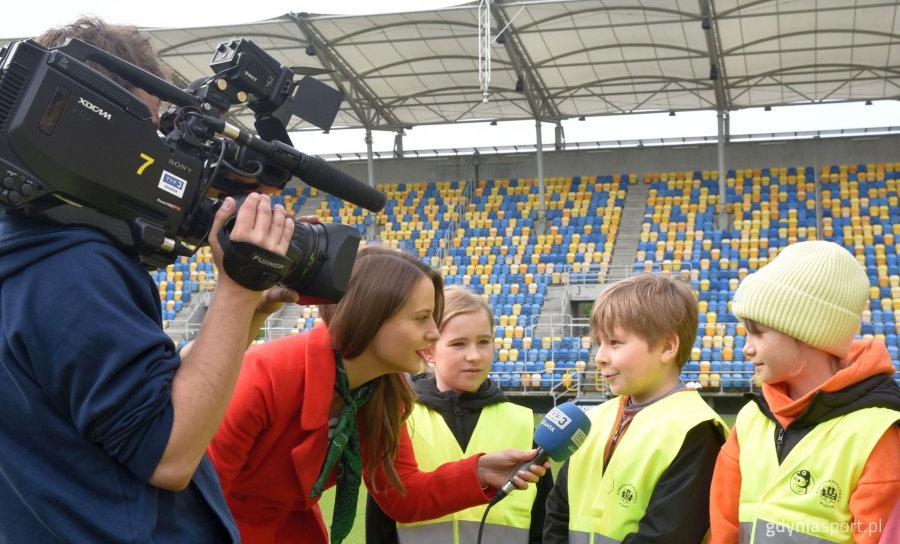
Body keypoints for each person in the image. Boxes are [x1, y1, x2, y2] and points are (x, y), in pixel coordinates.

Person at [0, 17, 298, 541]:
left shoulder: (28, 248)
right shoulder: (72, 266)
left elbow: (123, 402)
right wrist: (234, 290)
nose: (159, 150)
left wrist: (242, 315)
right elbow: (168, 453)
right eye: (150, 124)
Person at [207, 246, 548, 544]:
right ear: (371, 317)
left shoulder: (384, 392)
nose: (433, 333)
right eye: (422, 318)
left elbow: (402, 495)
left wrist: (479, 472)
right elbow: (193, 500)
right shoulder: (263, 376)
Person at [709, 240, 900, 544]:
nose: (746, 348)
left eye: (758, 332)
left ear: (810, 333)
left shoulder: (876, 434)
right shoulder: (750, 419)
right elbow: (724, 525)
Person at [543, 272, 728, 543]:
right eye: (599, 343)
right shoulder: (593, 420)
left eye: (615, 342)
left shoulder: (695, 431)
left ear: (667, 347)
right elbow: (557, 513)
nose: (600, 358)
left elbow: (666, 535)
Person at [365, 286, 552, 543]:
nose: (474, 355)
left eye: (484, 342)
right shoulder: (400, 418)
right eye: (458, 344)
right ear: (428, 350)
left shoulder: (521, 422)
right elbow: (380, 522)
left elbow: (542, 521)